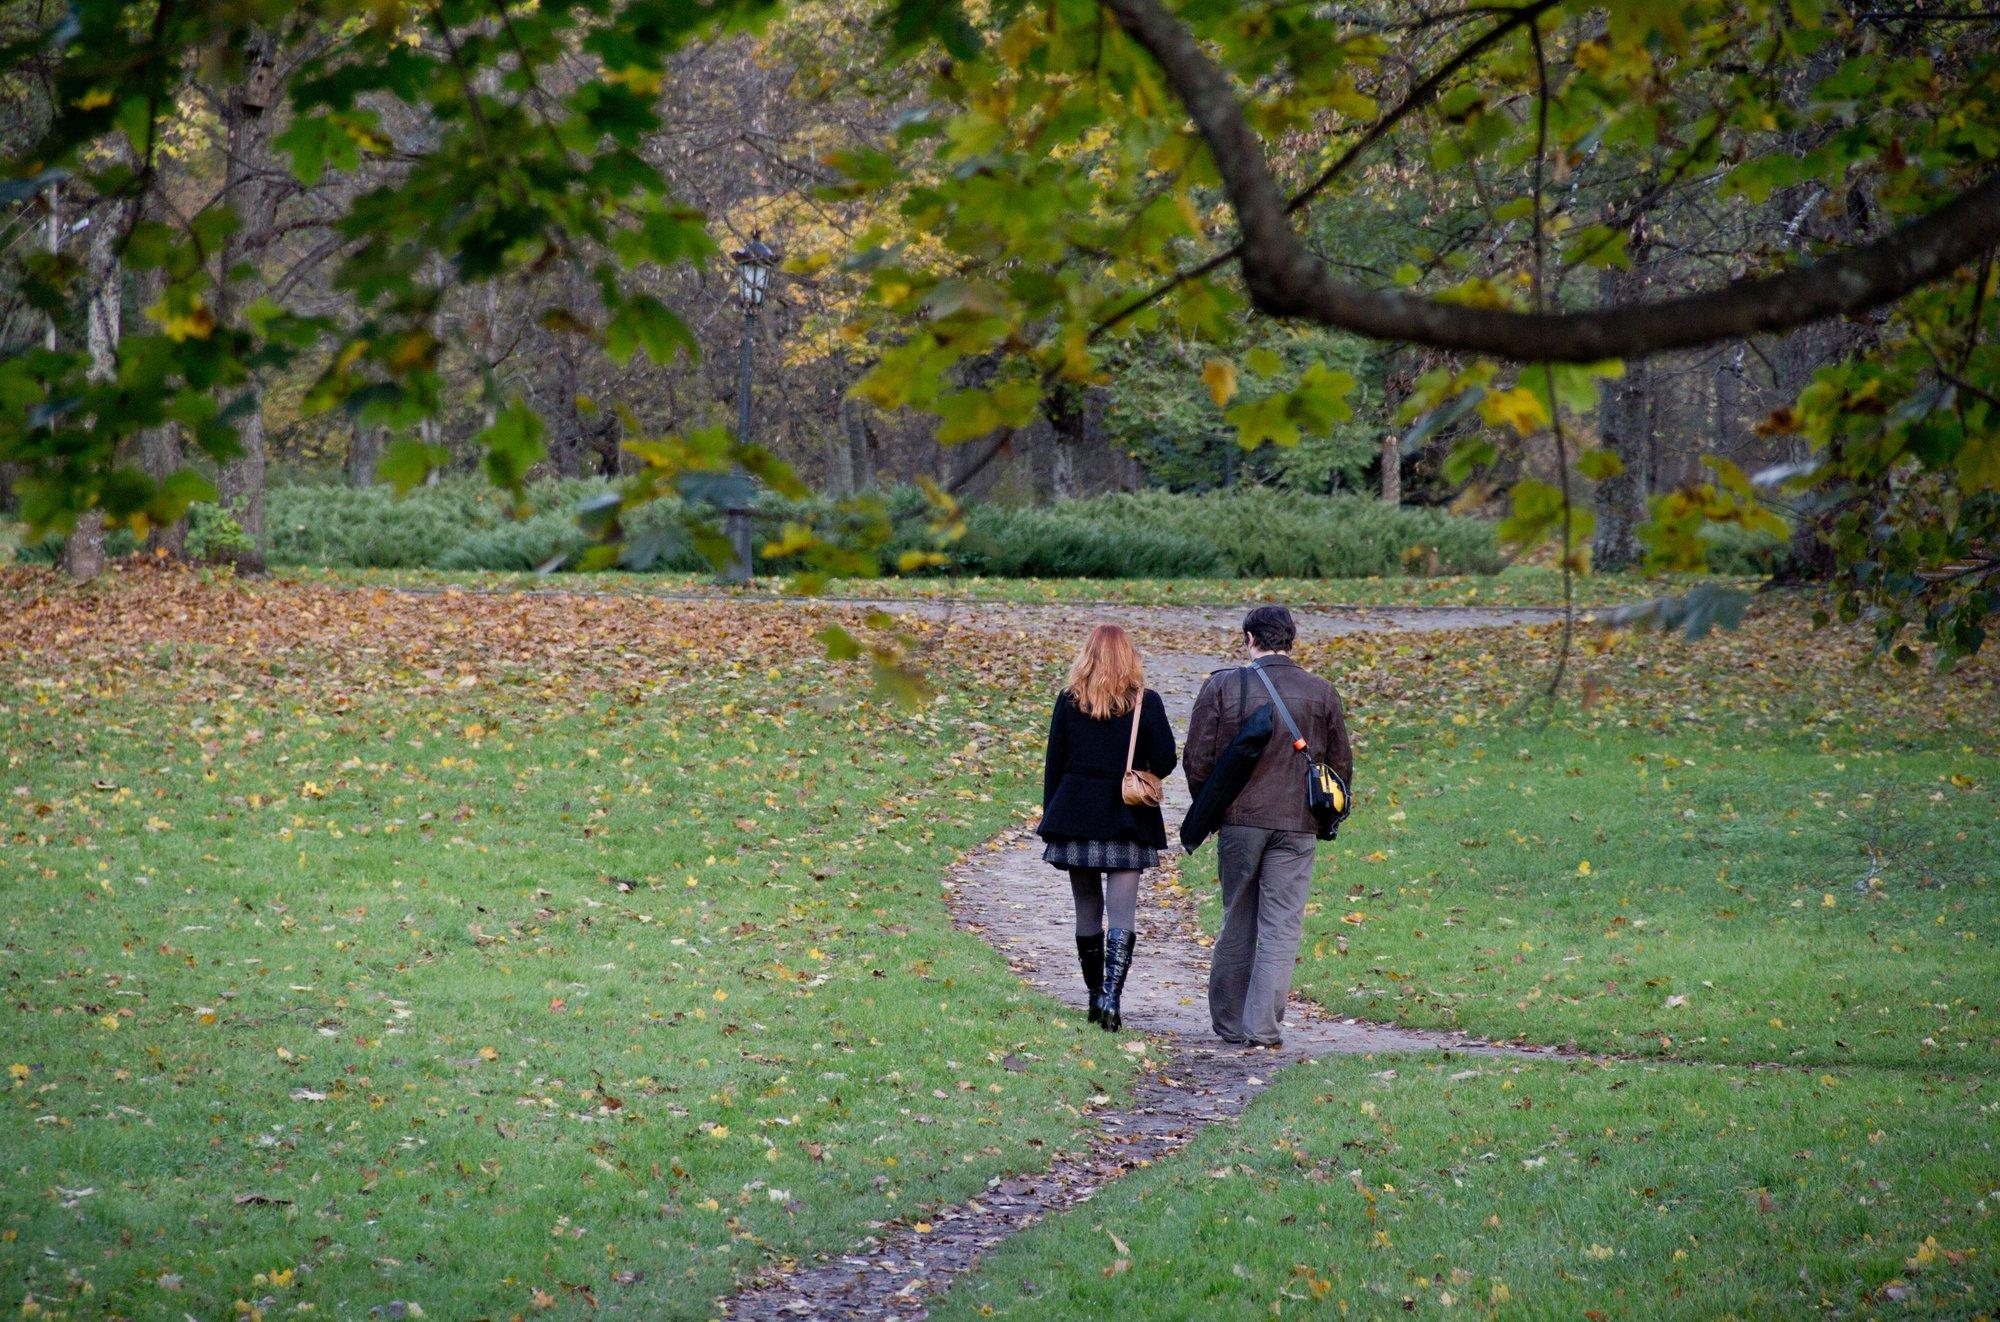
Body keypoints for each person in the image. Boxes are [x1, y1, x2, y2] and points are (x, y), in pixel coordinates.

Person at [1184, 605, 1353, 1048]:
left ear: (1249, 639)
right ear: (1291, 640)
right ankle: (1261, 1027)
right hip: (1297, 825)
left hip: (1239, 821)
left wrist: (1214, 806)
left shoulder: (1223, 685)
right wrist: (1323, 817)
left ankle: (1228, 1021)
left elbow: (1197, 759)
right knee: (1281, 924)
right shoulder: (1321, 691)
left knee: (1237, 915)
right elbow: (1339, 767)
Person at [1038, 623, 1178, 1032]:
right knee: (1122, 914)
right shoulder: (1145, 703)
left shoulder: (1069, 702)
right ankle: (1113, 1000)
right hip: (1127, 818)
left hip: (1076, 816)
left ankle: (1094, 997)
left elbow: (1054, 764)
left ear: (1088, 656)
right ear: (1129, 657)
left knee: (1087, 911)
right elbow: (1166, 760)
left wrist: (1052, 819)